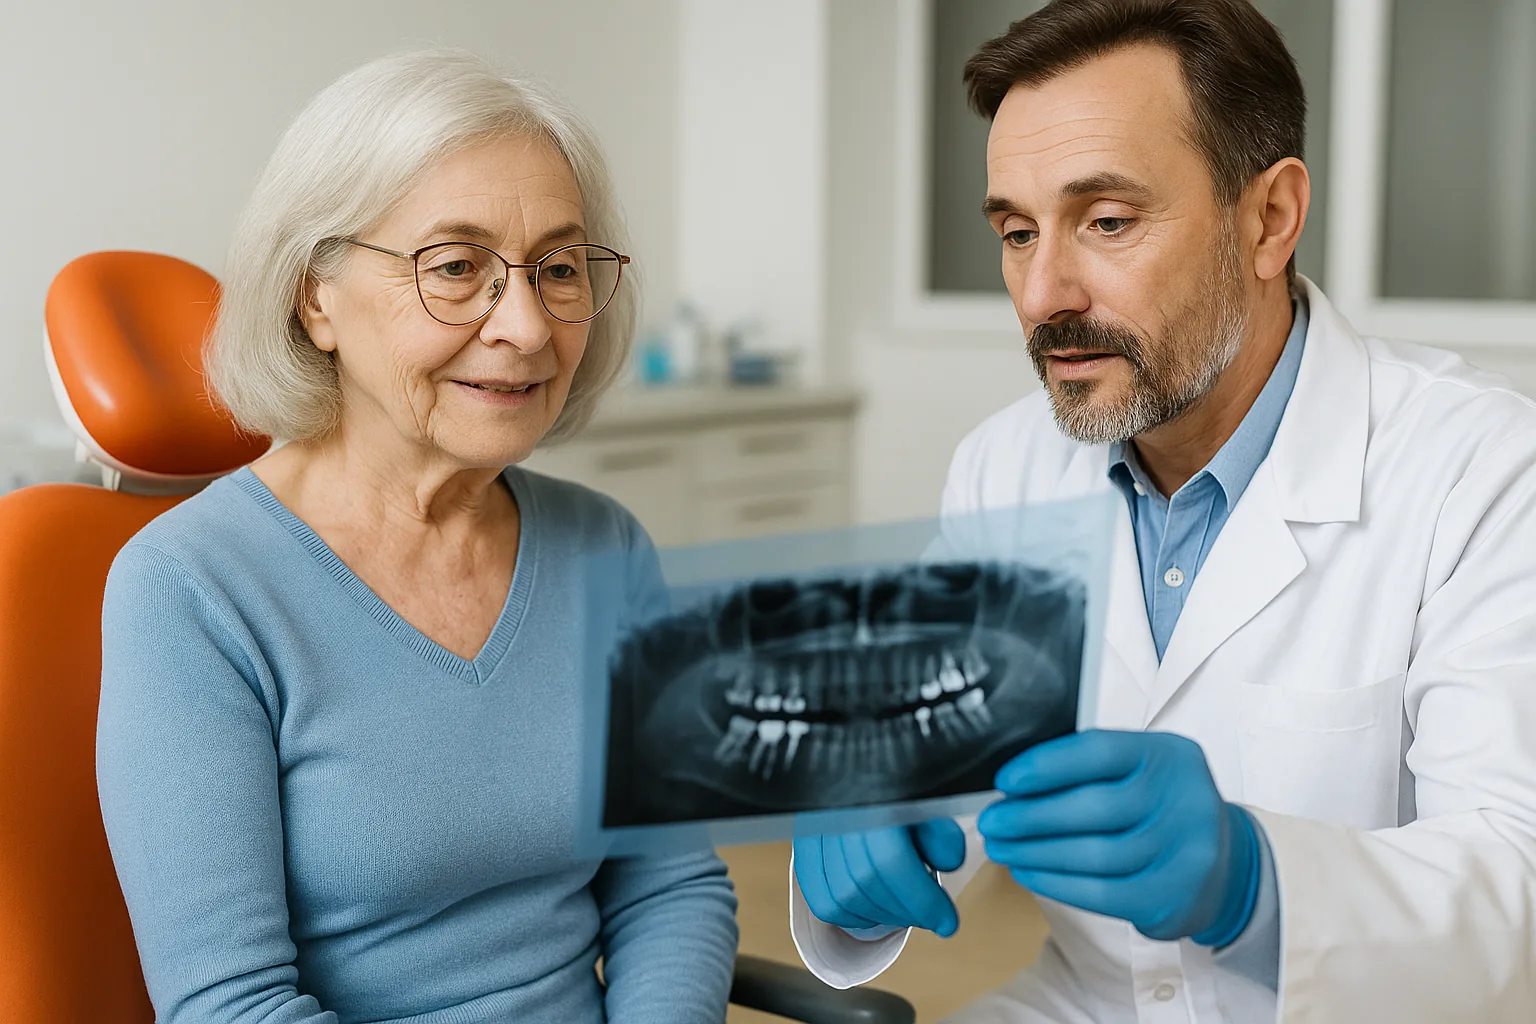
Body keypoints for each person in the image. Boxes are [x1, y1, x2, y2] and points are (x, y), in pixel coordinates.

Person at [789, 1, 1536, 1021]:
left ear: (1268, 219)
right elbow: (945, 779)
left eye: (1107, 221)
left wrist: (1256, 883)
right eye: (1017, 232)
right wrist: (871, 818)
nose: (1042, 293)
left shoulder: (1484, 470)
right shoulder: (1005, 468)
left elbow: (1516, 887)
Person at [96, 51, 738, 1024]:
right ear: (316, 298)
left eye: (559, 268)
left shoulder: (607, 547)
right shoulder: (191, 588)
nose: (526, 326)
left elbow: (670, 886)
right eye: (456, 267)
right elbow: (232, 1003)